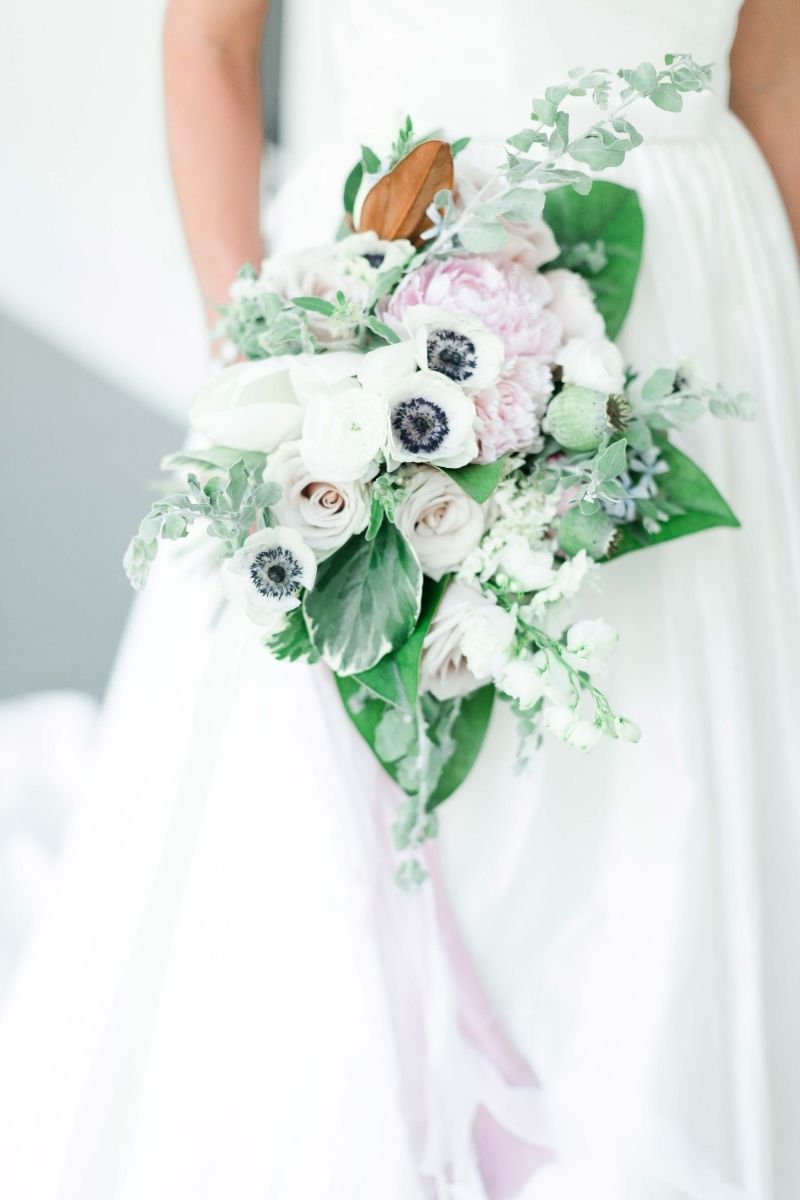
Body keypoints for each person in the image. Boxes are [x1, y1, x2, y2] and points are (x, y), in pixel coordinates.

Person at [0, 1, 799, 1196]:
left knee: (673, 779)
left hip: (707, 301)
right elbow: (209, 42)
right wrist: (262, 368)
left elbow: (772, 71)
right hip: (398, 277)